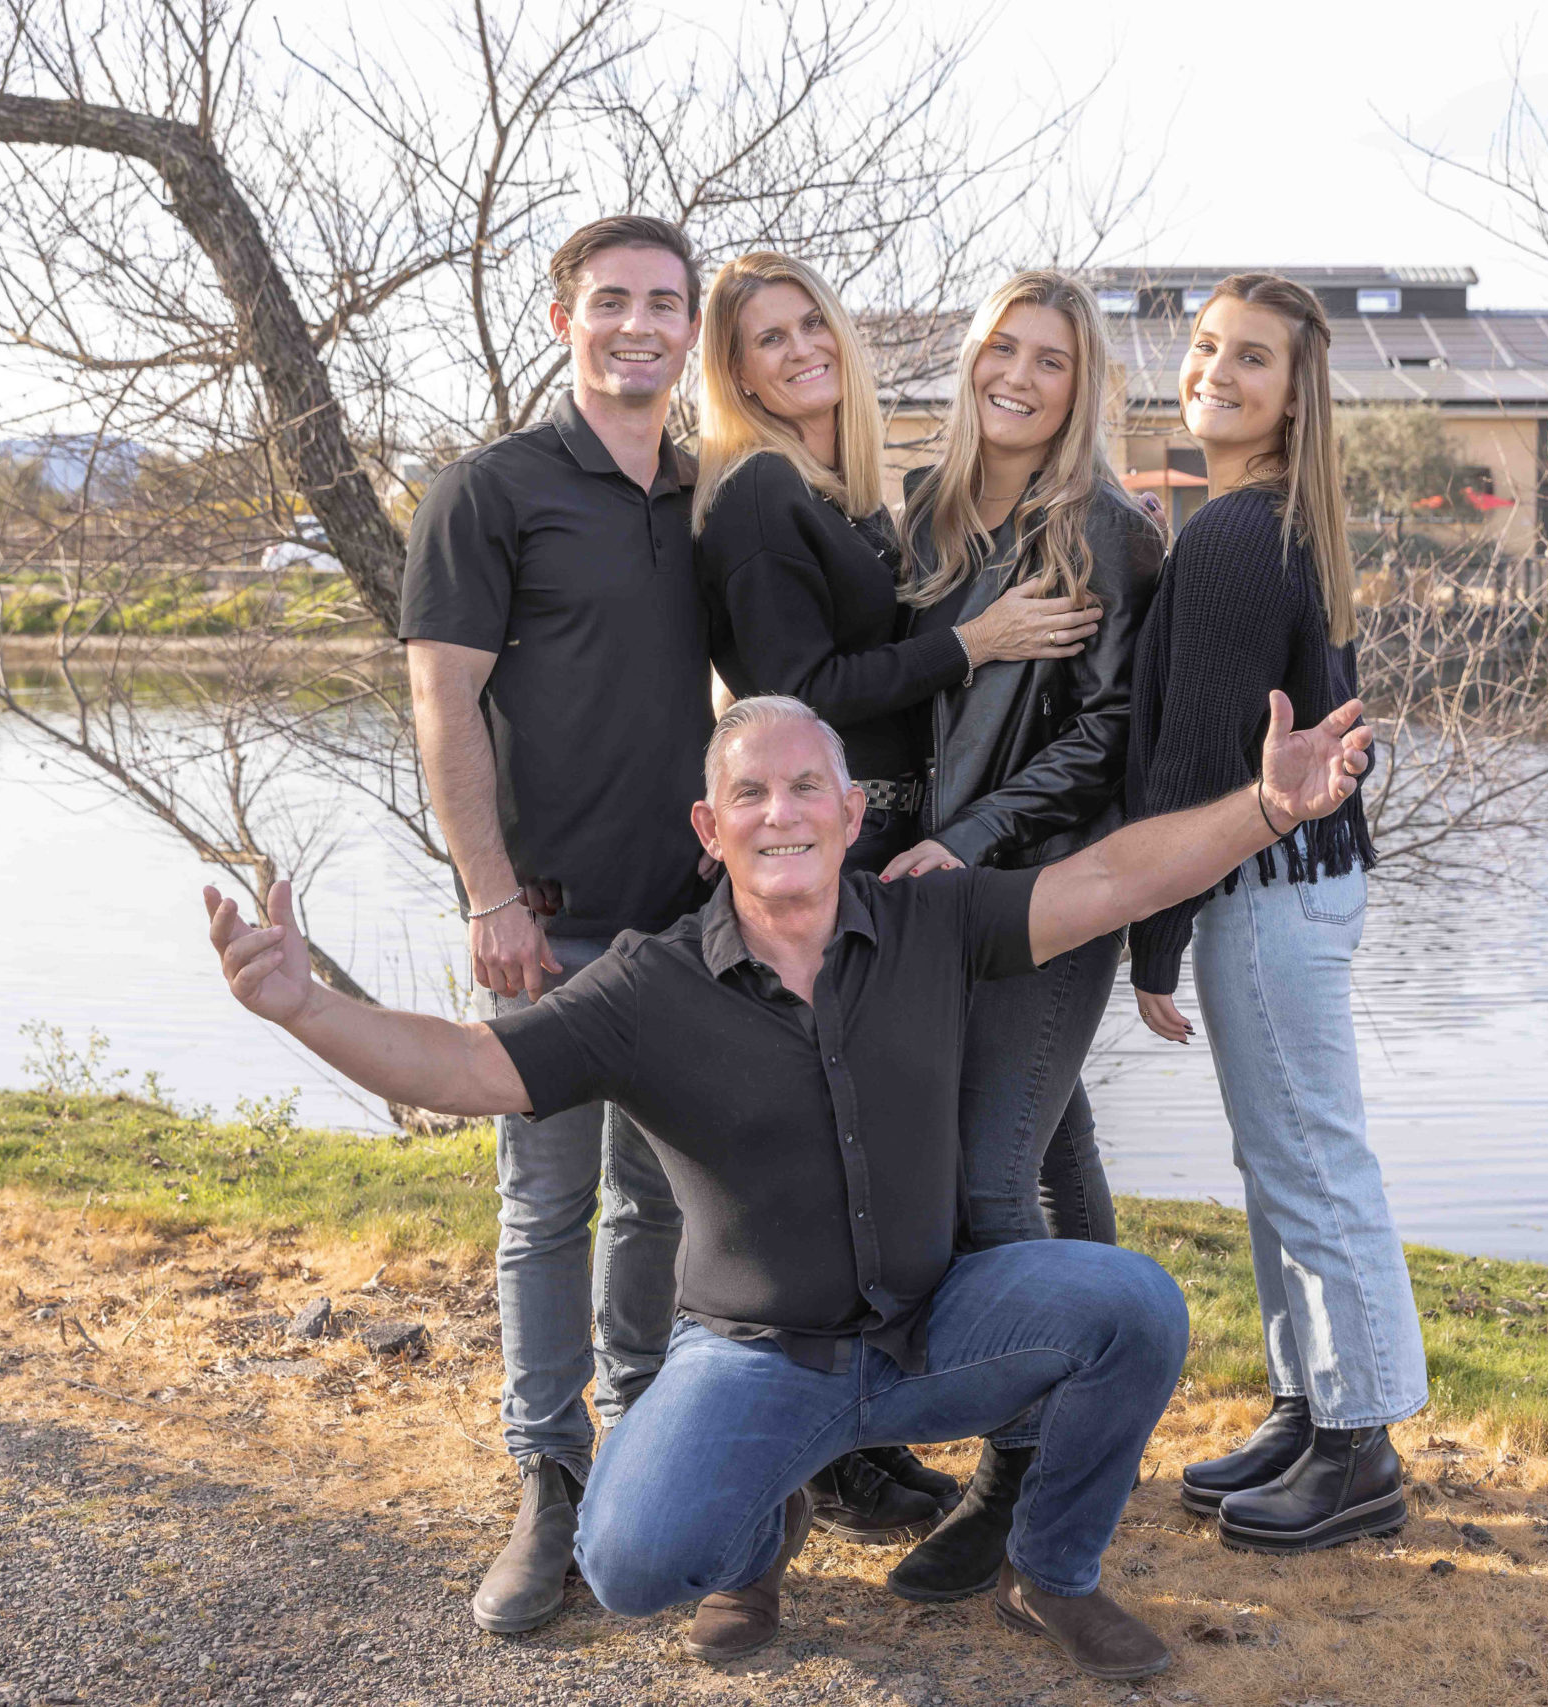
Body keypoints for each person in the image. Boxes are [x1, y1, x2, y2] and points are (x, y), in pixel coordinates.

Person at [200, 688, 1379, 1679]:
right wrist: (305, 1005)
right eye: (752, 795)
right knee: (629, 1567)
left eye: (808, 787)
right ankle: (762, 1522)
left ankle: (1049, 1571)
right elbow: (467, 1064)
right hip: (754, 1361)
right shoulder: (645, 989)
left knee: (1131, 1306)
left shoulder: (932, 922)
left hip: (938, 1334)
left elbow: (1114, 880)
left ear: (853, 813)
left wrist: (1268, 808)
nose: (783, 814)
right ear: (710, 828)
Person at [398, 215, 703, 1633]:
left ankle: (645, 1444)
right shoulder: (493, 489)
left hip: (688, 932)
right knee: (544, 1209)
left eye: (664, 304)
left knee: (656, 1203)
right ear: (561, 316)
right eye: (612, 302)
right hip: (554, 926)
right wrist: (490, 892)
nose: (638, 324)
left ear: (690, 330)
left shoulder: (703, 496)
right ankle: (550, 1472)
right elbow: (442, 699)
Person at [1126, 272, 1430, 1554]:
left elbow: (1196, 752)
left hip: (1268, 886)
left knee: (1310, 1162)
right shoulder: (1263, 521)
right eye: (1205, 348)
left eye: (1253, 359)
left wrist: (1148, 935)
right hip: (1287, 884)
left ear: (1299, 396)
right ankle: (1309, 1403)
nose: (1218, 373)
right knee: (1279, 1163)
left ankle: (1359, 1443)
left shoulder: (1239, 533)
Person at [875, 270, 1164, 1603]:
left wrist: (978, 835)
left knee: (991, 1176)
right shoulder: (923, 511)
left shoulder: (1103, 529)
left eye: (1052, 360)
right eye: (1006, 348)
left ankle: (1019, 1468)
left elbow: (1106, 734)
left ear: (1080, 383)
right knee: (1056, 1139)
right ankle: (1106, 1399)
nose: (1022, 376)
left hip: (1047, 890)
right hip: (928, 885)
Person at [691, 251, 1101, 879]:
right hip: (835, 835)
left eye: (812, 323)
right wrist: (975, 643)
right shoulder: (760, 490)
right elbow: (802, 693)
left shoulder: (847, 501)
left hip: (896, 828)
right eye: (770, 339)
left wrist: (1107, 510)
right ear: (738, 372)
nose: (801, 349)